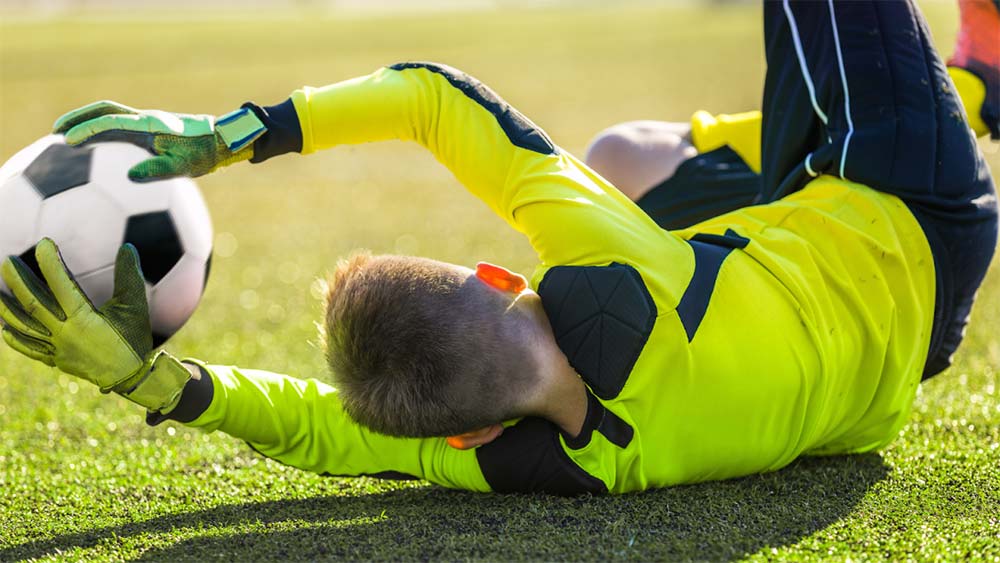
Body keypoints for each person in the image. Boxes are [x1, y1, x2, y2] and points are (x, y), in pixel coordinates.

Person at [0, 0, 996, 495]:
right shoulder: (616, 268)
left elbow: (319, 430)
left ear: (462, 433)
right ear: (499, 274)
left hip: (900, 363)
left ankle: (969, 96)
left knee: (626, 155)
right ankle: (978, 84)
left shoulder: (526, 465)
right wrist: (236, 131)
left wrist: (154, 383)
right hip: (905, 210)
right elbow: (435, 95)